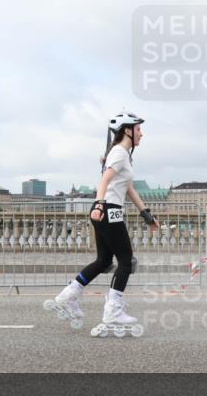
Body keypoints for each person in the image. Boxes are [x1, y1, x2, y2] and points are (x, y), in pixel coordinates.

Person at [44, 112, 159, 338]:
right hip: (109, 211)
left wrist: (145, 213)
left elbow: (128, 188)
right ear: (127, 130)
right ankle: (113, 310)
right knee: (126, 261)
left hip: (106, 210)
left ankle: (68, 295)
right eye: (138, 129)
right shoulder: (118, 153)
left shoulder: (122, 154)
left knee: (104, 260)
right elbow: (104, 181)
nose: (141, 133)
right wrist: (99, 205)